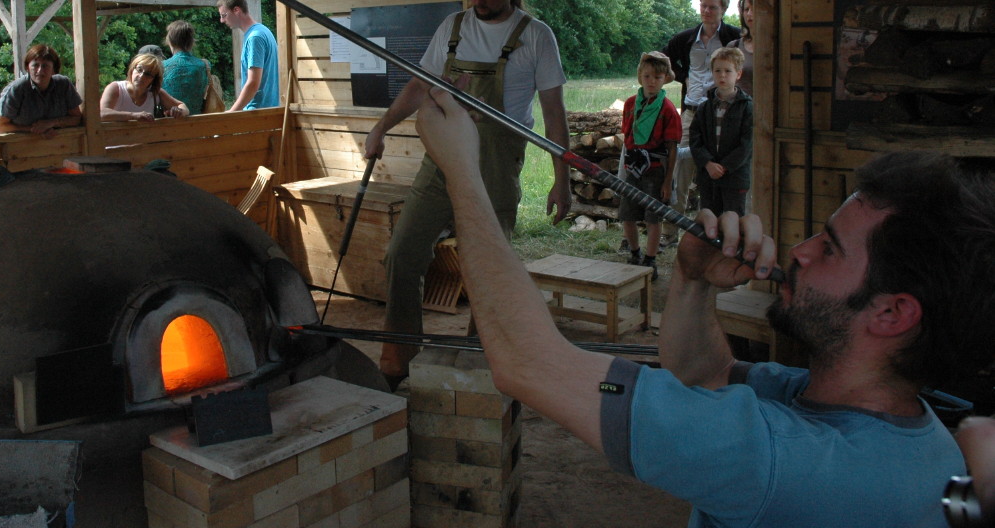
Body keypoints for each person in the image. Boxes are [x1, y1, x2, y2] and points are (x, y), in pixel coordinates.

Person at [413, 85, 995, 528]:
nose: (801, 251)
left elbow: (527, 364)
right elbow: (706, 375)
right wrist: (691, 276)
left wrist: (462, 171)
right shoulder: (856, 415)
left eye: (830, 247)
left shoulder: (781, 456)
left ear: (893, 314)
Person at [363, 0, 569, 387]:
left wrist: (561, 178)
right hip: (442, 158)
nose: (479, 0)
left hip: (496, 163)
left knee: (488, 267)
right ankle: (399, 361)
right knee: (402, 254)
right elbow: (420, 85)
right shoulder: (453, 28)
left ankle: (484, 360)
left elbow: (554, 112)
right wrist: (381, 127)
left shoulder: (536, 37)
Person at [661, 0, 740, 237]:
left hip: (722, 114)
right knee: (678, 171)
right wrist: (683, 77)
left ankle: (717, 232)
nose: (706, 11)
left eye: (712, 7)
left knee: (718, 171)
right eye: (703, 5)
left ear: (724, 9)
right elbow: (665, 59)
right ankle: (670, 232)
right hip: (691, 113)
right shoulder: (685, 38)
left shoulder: (732, 37)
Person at [619, 51, 681, 280]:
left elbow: (672, 148)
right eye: (647, 76)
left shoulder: (668, 110)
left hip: (656, 169)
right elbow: (627, 138)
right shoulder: (630, 104)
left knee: (653, 217)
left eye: (657, 77)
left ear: (665, 78)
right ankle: (634, 253)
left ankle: (650, 259)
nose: (651, 81)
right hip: (633, 166)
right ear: (640, 77)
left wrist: (667, 181)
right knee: (627, 213)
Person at [689, 46, 753, 217]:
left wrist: (725, 167)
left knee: (734, 221)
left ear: (738, 74)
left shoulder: (747, 107)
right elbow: (695, 140)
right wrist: (708, 164)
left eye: (728, 71)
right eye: (717, 71)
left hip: (735, 177)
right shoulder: (705, 107)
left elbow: (747, 144)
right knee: (711, 220)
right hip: (709, 176)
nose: (722, 75)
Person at [0, 44, 83, 138]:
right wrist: (34, 129)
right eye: (35, 65)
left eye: (45, 66)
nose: (40, 70)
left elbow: (76, 118)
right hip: (20, 147)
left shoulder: (63, 85)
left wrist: (52, 123)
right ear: (27, 68)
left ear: (54, 69)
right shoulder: (18, 89)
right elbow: (0, 126)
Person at [217, 0, 278, 110]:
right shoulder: (264, 31)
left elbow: (253, 83)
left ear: (236, 10)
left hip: (257, 114)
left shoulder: (255, 37)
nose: (222, 20)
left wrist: (232, 112)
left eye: (224, 15)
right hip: (268, 111)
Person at [99, 52, 189, 121]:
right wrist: (134, 115)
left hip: (145, 143)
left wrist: (178, 112)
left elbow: (183, 106)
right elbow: (101, 114)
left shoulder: (156, 93)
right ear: (132, 69)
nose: (141, 76)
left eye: (148, 74)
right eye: (139, 69)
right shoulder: (116, 88)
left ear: (154, 79)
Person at [162, 20, 210, 115]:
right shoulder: (204, 65)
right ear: (191, 41)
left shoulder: (162, 66)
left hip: (170, 122)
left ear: (170, 41)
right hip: (198, 121)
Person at [726, 0, 755, 96]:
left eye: (754, 9)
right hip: (739, 109)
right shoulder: (734, 47)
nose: (749, 13)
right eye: (746, 9)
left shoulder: (774, 46)